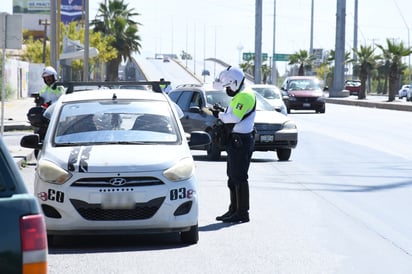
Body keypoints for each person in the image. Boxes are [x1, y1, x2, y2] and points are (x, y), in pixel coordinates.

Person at [212, 66, 256, 223]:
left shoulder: (245, 96)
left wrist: (219, 114)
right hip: (236, 140)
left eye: (228, 85)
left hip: (241, 141)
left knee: (239, 177)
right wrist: (223, 111)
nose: (228, 89)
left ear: (236, 82)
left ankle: (242, 212)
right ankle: (234, 209)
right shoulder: (240, 95)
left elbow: (234, 118)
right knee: (232, 177)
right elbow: (233, 114)